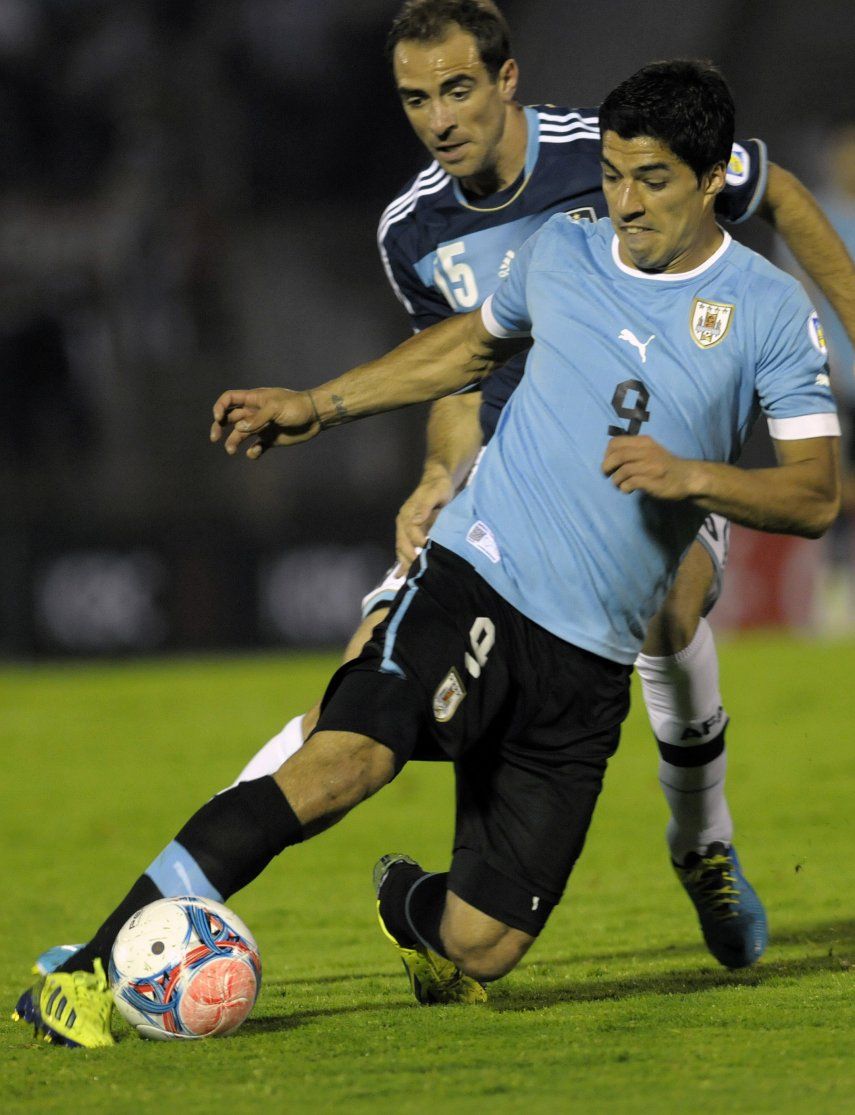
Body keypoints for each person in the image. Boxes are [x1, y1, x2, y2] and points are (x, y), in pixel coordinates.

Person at [15, 59, 841, 1049]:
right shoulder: (563, 250)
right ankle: (90, 974)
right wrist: (314, 407)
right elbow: (465, 350)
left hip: (587, 661)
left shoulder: (768, 310)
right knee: (341, 761)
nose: (622, 201)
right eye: (613, 174)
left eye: (651, 180)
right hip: (477, 580)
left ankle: (408, 902)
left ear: (716, 179)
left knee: (480, 944)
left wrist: (694, 477)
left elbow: (813, 495)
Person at [224, 0, 855, 971]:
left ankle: (704, 842)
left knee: (674, 602)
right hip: (519, 479)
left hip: (661, 453)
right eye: (415, 99)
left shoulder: (610, 152)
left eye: (458, 89)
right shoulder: (411, 229)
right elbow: (462, 362)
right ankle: (188, 897)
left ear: (506, 80)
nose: (440, 118)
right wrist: (440, 470)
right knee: (356, 685)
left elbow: (787, 201)